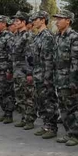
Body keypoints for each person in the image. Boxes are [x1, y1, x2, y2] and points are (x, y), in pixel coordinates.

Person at [53, 9, 78, 146]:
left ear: (68, 21)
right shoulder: (58, 36)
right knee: (63, 106)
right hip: (59, 77)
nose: (57, 22)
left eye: (60, 19)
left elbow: (76, 61)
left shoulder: (74, 37)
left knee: (72, 107)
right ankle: (68, 132)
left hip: (69, 78)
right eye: (56, 19)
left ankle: (75, 134)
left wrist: (73, 81)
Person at [29, 11, 58, 139]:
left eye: (36, 19)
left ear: (42, 20)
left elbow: (49, 59)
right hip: (38, 73)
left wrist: (47, 77)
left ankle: (52, 127)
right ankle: (46, 124)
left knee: (49, 101)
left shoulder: (47, 36)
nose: (34, 21)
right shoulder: (38, 36)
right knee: (40, 101)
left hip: (45, 75)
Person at [11, 11, 36, 129]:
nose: (15, 23)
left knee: (28, 96)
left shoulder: (28, 36)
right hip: (16, 69)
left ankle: (30, 120)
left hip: (24, 70)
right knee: (19, 95)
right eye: (14, 20)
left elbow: (30, 55)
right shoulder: (16, 35)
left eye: (17, 20)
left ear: (24, 22)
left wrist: (29, 72)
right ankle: (24, 117)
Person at [0, 15, 15, 124]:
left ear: (4, 24)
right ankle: (5, 112)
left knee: (7, 92)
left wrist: (9, 70)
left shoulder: (9, 36)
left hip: (4, 70)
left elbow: (11, 54)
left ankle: (9, 114)